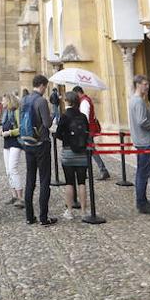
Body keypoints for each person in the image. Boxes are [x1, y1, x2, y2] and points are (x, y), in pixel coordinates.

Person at [21, 74, 56, 226]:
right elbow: (47, 124)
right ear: (42, 85)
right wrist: (53, 114)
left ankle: (29, 216)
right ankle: (43, 217)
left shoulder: (24, 99)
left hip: (28, 143)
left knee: (30, 180)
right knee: (44, 180)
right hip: (41, 143)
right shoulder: (41, 101)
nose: (45, 90)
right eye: (45, 87)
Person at [128, 74, 150, 215]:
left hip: (141, 140)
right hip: (145, 141)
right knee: (143, 173)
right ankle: (141, 202)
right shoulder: (139, 101)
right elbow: (142, 121)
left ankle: (143, 200)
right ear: (138, 84)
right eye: (145, 84)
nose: (147, 87)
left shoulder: (134, 100)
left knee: (142, 171)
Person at [57, 91, 90, 220]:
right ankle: (83, 211)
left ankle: (69, 211)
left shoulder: (64, 116)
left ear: (67, 101)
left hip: (68, 152)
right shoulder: (82, 116)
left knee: (69, 182)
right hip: (82, 153)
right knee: (82, 182)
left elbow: (59, 134)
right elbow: (87, 133)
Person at [72, 86, 111, 181]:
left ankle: (103, 170)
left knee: (91, 150)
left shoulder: (84, 102)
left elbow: (84, 117)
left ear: (78, 93)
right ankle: (86, 171)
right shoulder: (84, 100)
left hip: (87, 130)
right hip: (88, 129)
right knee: (87, 150)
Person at [0, 93, 24, 207]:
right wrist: (1, 130)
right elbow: (5, 125)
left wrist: (10, 132)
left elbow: (21, 128)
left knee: (13, 168)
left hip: (16, 142)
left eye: (3, 100)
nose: (2, 102)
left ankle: (21, 198)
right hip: (7, 143)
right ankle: (13, 195)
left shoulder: (16, 111)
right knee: (8, 170)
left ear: (8, 101)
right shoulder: (5, 113)